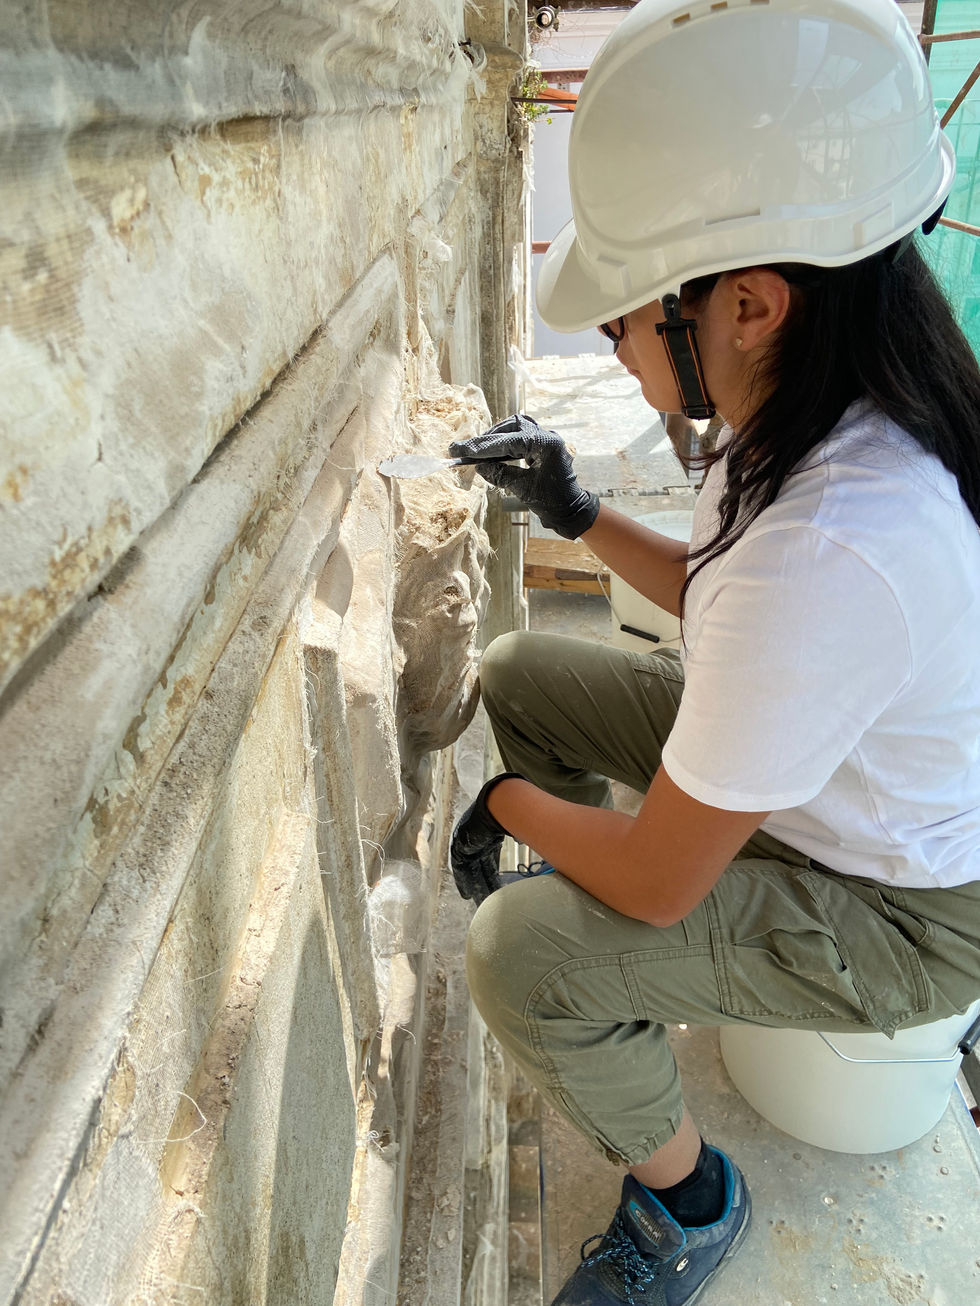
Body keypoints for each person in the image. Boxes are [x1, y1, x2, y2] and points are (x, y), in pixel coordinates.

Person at [447, 1, 980, 1303]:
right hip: (832, 788)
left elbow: (666, 874)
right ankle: (592, 970)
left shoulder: (844, 532)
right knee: (524, 675)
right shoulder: (813, 397)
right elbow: (736, 612)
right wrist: (579, 513)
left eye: (627, 317)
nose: (611, 347)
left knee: (514, 954)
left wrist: (503, 806)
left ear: (747, 302)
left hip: (904, 908)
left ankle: (686, 1198)